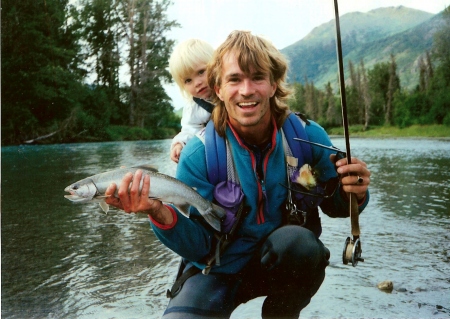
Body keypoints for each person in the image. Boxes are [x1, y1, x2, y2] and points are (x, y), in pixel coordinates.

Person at [104, 30, 371, 318]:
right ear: (218, 88)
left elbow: (336, 206)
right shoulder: (198, 155)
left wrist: (354, 191)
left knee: (302, 246)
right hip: (215, 269)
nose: (246, 90)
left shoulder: (305, 137)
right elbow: (199, 247)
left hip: (279, 260)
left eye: (257, 77)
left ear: (273, 84)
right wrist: (157, 211)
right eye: (234, 79)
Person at [169, 38, 215, 163]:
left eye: (201, 72)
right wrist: (179, 143)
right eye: (188, 80)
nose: (197, 83)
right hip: (217, 152)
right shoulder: (194, 106)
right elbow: (189, 129)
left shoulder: (230, 90)